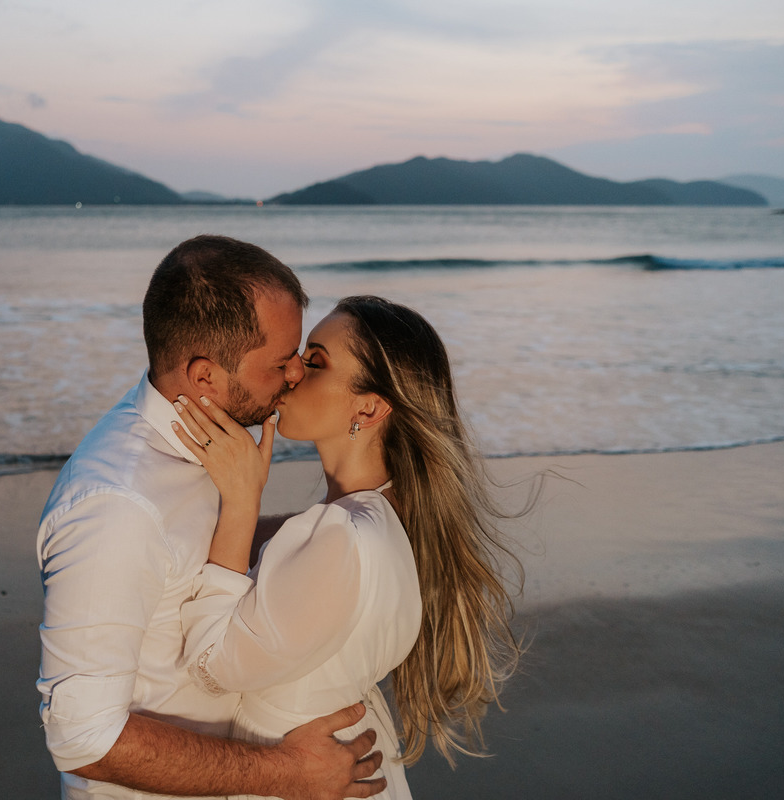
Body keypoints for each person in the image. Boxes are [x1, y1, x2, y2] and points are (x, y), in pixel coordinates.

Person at [36, 237, 387, 800]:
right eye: (281, 362)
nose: (297, 374)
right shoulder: (116, 508)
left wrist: (336, 526)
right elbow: (85, 739)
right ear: (204, 378)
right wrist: (290, 773)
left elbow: (191, 555)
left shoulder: (201, 433)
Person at [171, 295, 526, 799]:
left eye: (315, 362)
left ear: (370, 405)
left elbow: (210, 668)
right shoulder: (383, 515)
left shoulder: (342, 537)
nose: (291, 371)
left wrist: (240, 500)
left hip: (304, 776)